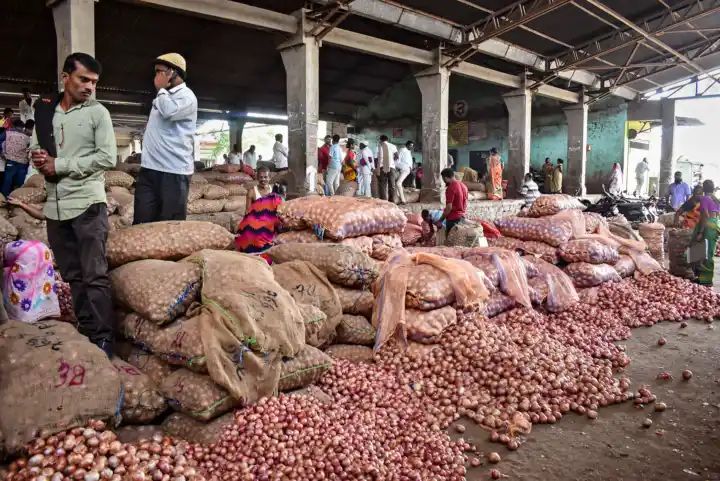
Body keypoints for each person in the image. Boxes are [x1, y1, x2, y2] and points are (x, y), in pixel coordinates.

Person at [30, 52, 116, 356]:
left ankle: (105, 339)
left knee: (94, 274)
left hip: (87, 203)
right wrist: (39, 159)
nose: (89, 87)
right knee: (72, 274)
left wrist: (61, 164)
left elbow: (108, 157)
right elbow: (36, 147)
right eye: (83, 79)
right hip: (55, 206)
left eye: (94, 82)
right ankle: (88, 329)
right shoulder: (45, 112)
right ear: (65, 77)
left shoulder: (98, 114)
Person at [134, 53, 197, 225]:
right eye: (155, 72)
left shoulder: (187, 96)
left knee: (169, 227)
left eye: (160, 72)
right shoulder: (162, 97)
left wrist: (161, 90)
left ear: (174, 72)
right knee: (142, 222)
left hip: (173, 171)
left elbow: (169, 112)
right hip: (150, 169)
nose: (156, 77)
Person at [2, 239, 61, 324]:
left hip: (27, 254)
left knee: (22, 286)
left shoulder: (6, 251)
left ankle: (25, 316)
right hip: (42, 249)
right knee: (43, 281)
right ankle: (47, 310)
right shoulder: (13, 246)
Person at [235, 166, 283, 263]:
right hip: (255, 223)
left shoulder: (274, 191)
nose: (263, 179)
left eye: (265, 177)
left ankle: (265, 257)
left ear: (269, 178)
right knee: (250, 236)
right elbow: (247, 212)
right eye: (261, 177)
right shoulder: (252, 192)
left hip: (270, 223)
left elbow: (279, 209)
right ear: (257, 178)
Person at [693, 179, 720, 286]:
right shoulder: (715, 199)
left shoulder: (705, 199)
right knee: (708, 252)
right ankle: (703, 278)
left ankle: (706, 281)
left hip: (708, 225)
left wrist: (700, 232)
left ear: (703, 189)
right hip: (715, 224)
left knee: (706, 254)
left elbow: (705, 216)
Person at [1, 118, 30, 196]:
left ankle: (4, 199)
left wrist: (2, 152)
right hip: (23, 163)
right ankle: (18, 199)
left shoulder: (7, 133)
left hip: (10, 161)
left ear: (13, 125)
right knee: (20, 182)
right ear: (22, 127)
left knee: (7, 180)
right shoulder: (27, 137)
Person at [436, 168, 468, 233]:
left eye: (443, 179)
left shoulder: (451, 188)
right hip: (462, 218)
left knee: (450, 241)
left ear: (445, 178)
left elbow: (448, 208)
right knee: (459, 241)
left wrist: (440, 220)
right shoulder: (464, 186)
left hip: (453, 220)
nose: (444, 181)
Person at [376, 135, 398, 202]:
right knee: (392, 185)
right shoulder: (393, 146)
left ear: (380, 140)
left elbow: (377, 159)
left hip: (382, 167)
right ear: (387, 139)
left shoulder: (379, 146)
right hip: (391, 167)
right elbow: (397, 156)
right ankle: (391, 201)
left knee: (382, 185)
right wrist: (392, 162)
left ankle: (383, 201)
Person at [395, 140, 414, 205]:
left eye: (412, 146)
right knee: (398, 183)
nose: (411, 147)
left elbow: (409, 162)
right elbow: (398, 159)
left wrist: (410, 168)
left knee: (398, 183)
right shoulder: (403, 149)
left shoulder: (408, 151)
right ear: (407, 145)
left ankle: (402, 199)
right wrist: (396, 166)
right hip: (403, 167)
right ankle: (402, 199)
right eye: (410, 145)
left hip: (405, 168)